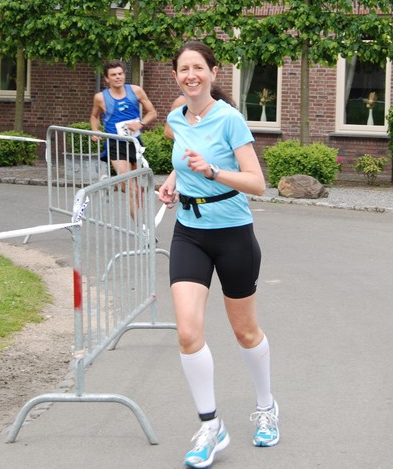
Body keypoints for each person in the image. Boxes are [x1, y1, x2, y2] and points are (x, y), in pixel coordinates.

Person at [156, 41, 279, 469]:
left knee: (245, 331)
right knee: (188, 332)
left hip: (232, 234)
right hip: (189, 234)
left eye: (198, 68)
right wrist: (173, 179)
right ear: (175, 76)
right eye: (183, 69)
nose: (191, 75)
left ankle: (266, 407)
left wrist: (212, 172)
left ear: (213, 71)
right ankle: (210, 427)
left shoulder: (230, 120)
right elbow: (183, 155)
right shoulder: (176, 117)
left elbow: (257, 183)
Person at [90, 60, 157, 174]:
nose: (118, 77)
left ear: (124, 75)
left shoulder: (136, 90)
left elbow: (152, 113)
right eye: (113, 75)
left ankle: (117, 182)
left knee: (136, 180)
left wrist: (140, 124)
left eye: (120, 74)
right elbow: (94, 116)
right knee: (126, 180)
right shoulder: (100, 97)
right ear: (107, 79)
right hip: (115, 144)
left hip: (134, 141)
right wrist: (95, 130)